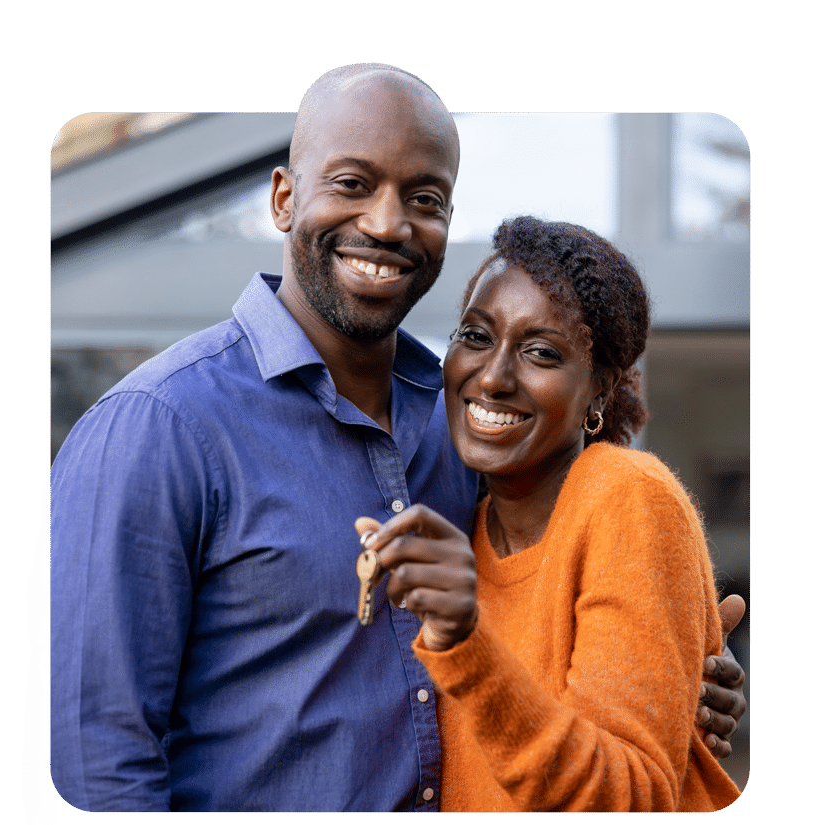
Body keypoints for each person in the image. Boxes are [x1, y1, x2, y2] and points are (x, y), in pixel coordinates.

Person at [49, 65, 744, 812]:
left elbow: (548, 639)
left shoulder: (464, 425)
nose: (387, 223)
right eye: (352, 183)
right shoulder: (159, 426)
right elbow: (103, 763)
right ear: (284, 198)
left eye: (424, 198)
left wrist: (664, 668)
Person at [357, 215, 744, 812]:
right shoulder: (467, 518)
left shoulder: (626, 495)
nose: (491, 376)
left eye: (540, 352)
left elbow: (627, 797)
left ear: (599, 388)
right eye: (477, 336)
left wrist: (468, 643)